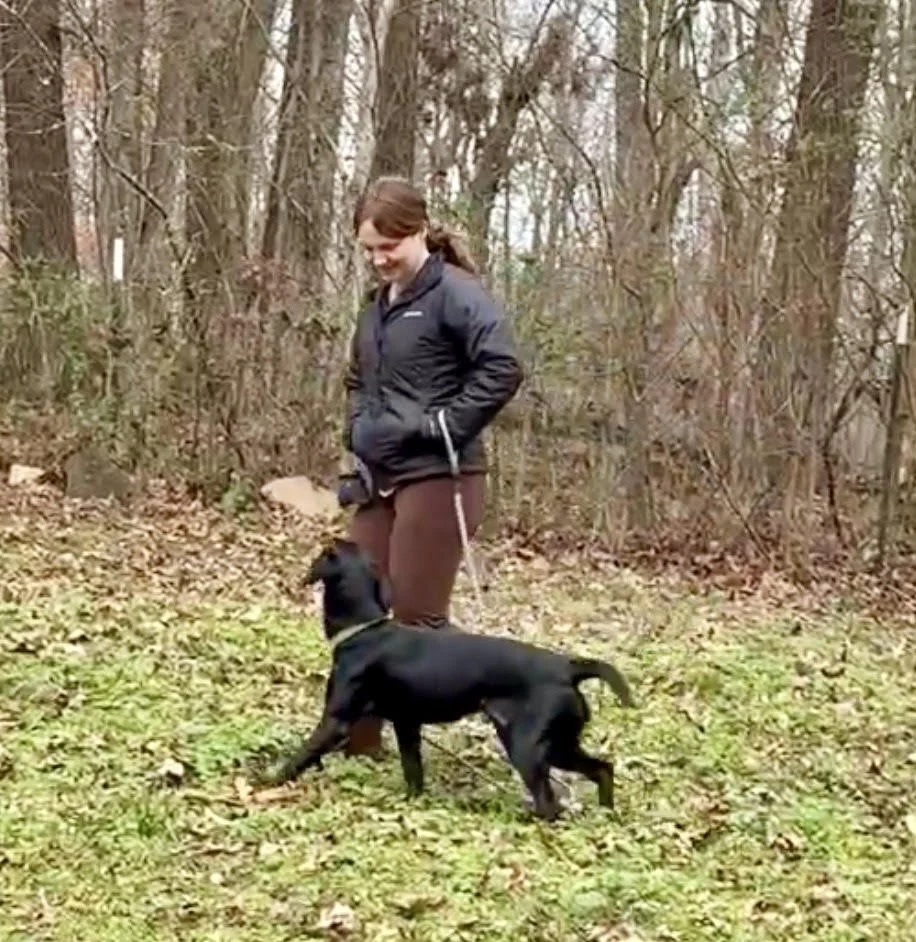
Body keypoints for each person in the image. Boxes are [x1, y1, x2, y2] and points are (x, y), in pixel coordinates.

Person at [335, 176, 525, 757]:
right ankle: (357, 742)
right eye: (368, 249)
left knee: (417, 622)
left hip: (441, 476)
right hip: (378, 478)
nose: (378, 259)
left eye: (387, 246)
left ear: (417, 230)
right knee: (361, 614)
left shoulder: (455, 294)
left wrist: (440, 425)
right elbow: (357, 380)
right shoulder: (375, 309)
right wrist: (359, 432)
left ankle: (506, 705)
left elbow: (502, 366)